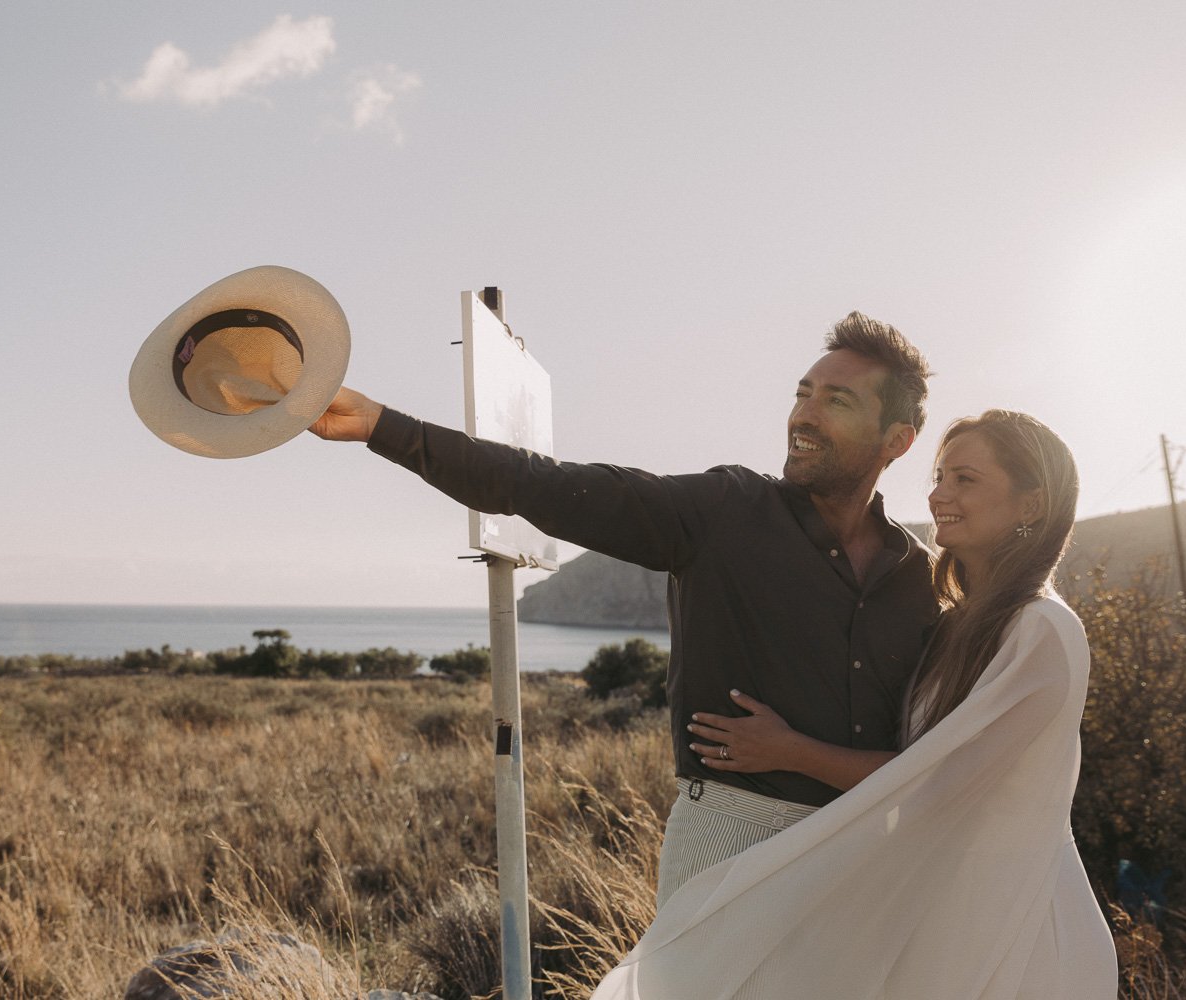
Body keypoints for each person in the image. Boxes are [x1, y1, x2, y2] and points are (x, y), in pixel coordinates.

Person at [310, 312, 939, 904]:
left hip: (871, 848)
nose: (805, 415)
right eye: (803, 393)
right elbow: (543, 483)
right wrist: (380, 427)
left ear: (898, 441)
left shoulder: (921, 576)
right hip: (730, 839)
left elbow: (937, 743)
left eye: (837, 401)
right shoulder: (726, 510)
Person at [591, 410, 1118, 999]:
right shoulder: (954, 625)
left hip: (1008, 925)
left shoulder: (1042, 631)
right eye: (940, 476)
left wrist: (791, 750)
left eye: (966, 479)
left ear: (1031, 505)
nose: (941, 494)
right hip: (941, 910)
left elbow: (934, 782)